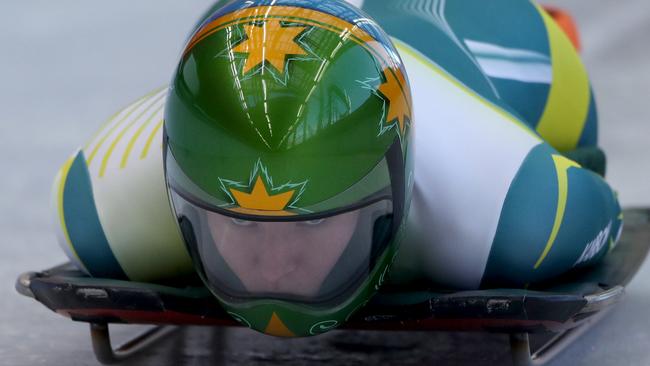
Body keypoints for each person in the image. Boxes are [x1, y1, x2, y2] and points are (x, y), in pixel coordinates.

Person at [51, 0, 623, 337]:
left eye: (311, 224)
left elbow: (597, 200)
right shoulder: (102, 209)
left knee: (567, 98)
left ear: (396, 186)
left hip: (484, 28)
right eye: (243, 223)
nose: (274, 272)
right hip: (251, 27)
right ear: (176, 192)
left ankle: (553, 21)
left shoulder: (511, 210)